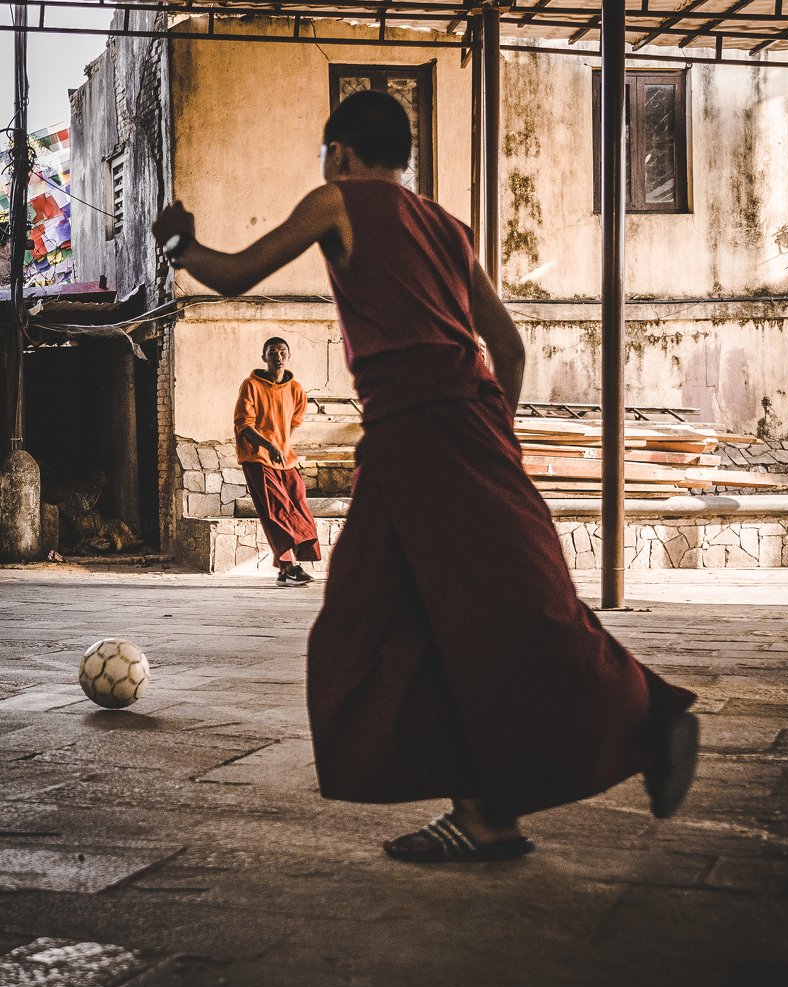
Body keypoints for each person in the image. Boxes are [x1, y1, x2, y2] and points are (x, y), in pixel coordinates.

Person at [153, 90, 698, 863]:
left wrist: (179, 245)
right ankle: (484, 817)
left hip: (414, 434)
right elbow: (506, 351)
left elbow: (238, 275)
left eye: (326, 155)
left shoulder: (336, 200)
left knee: (381, 623)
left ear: (338, 151)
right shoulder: (446, 225)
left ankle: (648, 718)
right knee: (439, 615)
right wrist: (487, 440)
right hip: (464, 423)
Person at [233, 336, 321, 587]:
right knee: (277, 510)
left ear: (289, 356)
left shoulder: (296, 389)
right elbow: (243, 424)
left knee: (299, 503)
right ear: (264, 358)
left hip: (284, 458)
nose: (278, 356)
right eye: (272, 352)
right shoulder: (251, 385)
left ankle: (285, 571)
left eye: (282, 352)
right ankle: (290, 567)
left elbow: (294, 422)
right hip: (257, 456)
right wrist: (268, 445)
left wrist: (281, 446)